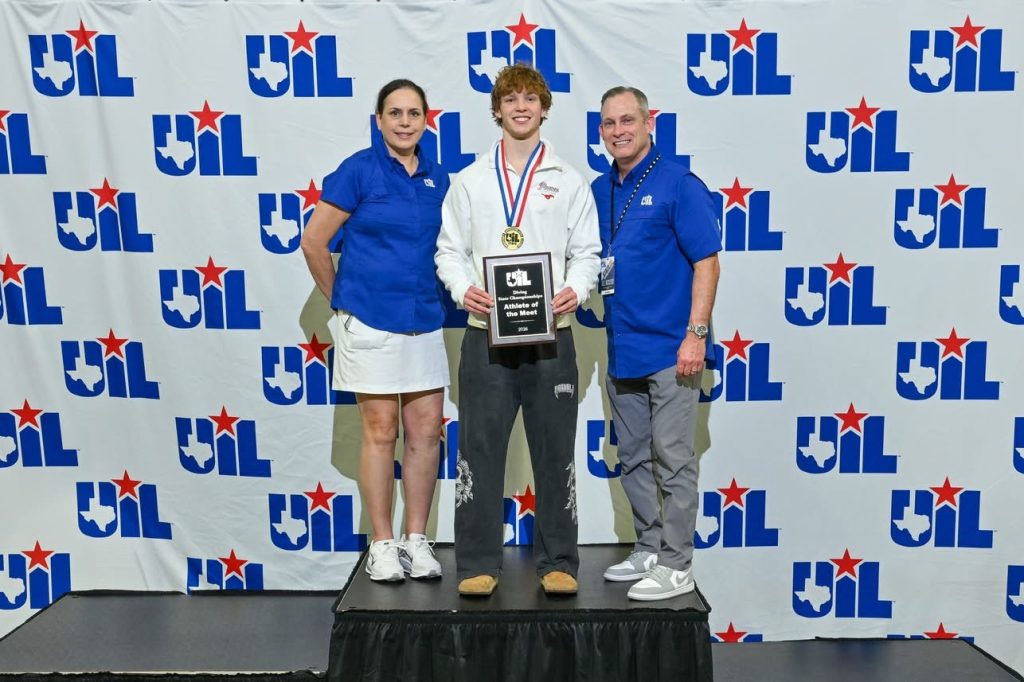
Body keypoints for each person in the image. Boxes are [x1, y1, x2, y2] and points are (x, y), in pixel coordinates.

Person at [435, 64, 600, 596]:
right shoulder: (471, 179)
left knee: (555, 449)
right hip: (486, 333)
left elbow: (588, 253)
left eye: (531, 98)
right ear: (497, 109)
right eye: (512, 99)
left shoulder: (568, 179)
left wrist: (576, 287)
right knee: (479, 449)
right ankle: (478, 563)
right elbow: (448, 251)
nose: (521, 107)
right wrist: (464, 290)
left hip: (555, 333)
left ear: (545, 108)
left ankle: (559, 561)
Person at [301, 79, 450, 583]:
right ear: (379, 119)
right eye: (395, 113)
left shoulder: (438, 179)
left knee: (427, 431)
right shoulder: (358, 170)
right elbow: (314, 242)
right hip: (370, 321)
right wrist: (343, 304)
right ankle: (382, 543)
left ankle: (416, 538)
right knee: (381, 430)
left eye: (413, 113)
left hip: (425, 318)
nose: (405, 121)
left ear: (426, 119)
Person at [591, 86, 721, 601]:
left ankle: (677, 562)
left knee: (673, 456)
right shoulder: (601, 188)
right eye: (609, 123)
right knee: (634, 455)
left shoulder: (679, 184)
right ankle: (647, 546)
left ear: (650, 123)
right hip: (623, 348)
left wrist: (696, 334)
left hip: (673, 349)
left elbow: (707, 261)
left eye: (628, 120)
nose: (619, 130)